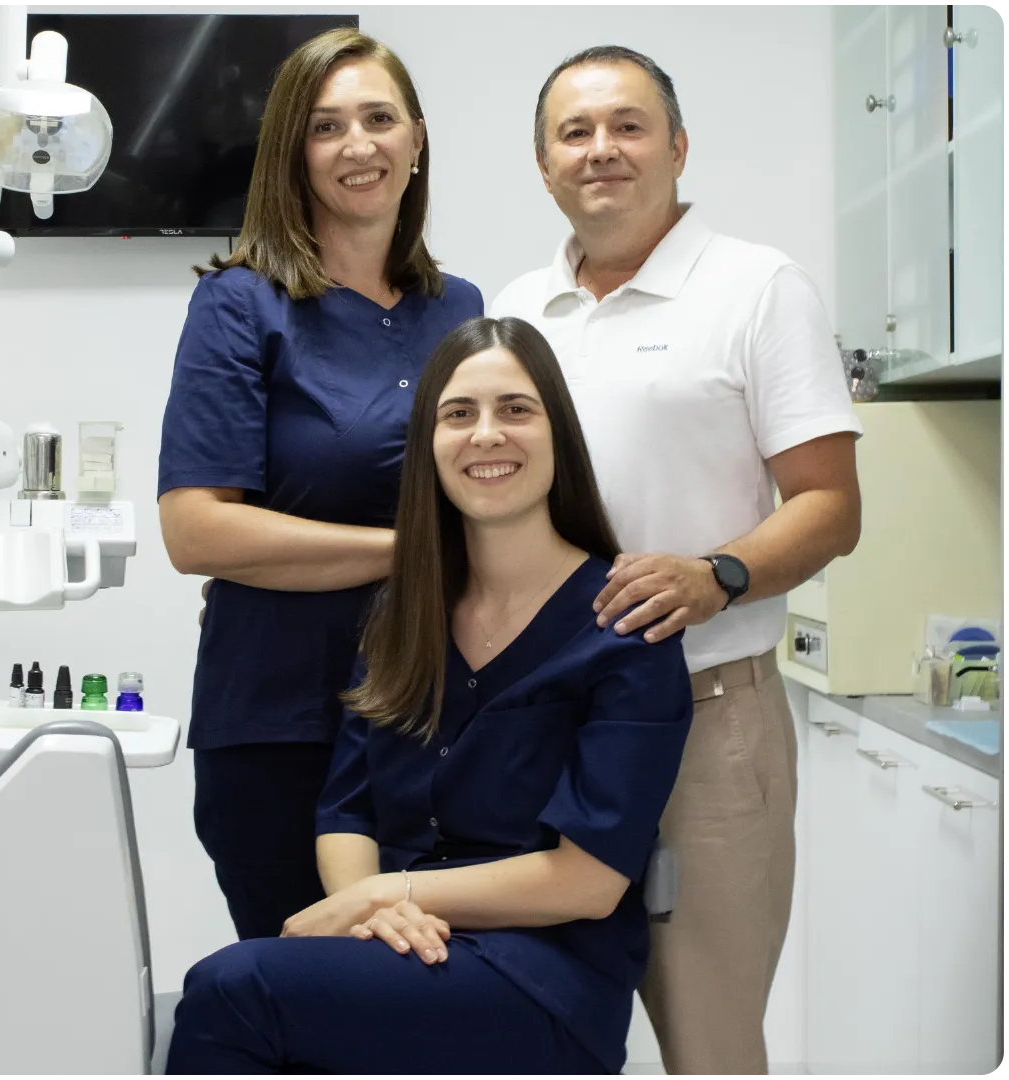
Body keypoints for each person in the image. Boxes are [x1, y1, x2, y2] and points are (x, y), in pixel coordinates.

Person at [165, 316, 693, 1078]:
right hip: (408, 948)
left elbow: (587, 879)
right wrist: (379, 910)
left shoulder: (622, 628)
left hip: (545, 980)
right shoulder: (403, 617)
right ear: (430, 445)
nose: (486, 434)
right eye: (458, 413)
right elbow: (347, 811)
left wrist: (390, 893)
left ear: (559, 433)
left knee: (231, 994)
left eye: (516, 409)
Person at [491, 46, 863, 1079]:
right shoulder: (517, 313)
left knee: (708, 1045)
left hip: (706, 720)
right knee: (532, 1032)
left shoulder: (757, 288)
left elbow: (831, 506)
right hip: (545, 726)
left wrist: (717, 575)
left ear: (678, 147)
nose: (601, 150)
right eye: (574, 132)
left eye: (628, 125)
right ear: (544, 165)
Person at [157, 28, 484, 941]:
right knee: (307, 984)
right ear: (292, 154)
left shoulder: (459, 310)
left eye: (379, 119)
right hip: (282, 719)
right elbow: (196, 532)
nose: (357, 145)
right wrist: (411, 553)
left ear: (416, 141)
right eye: (326, 126)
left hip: (436, 708)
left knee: (431, 987)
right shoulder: (240, 303)